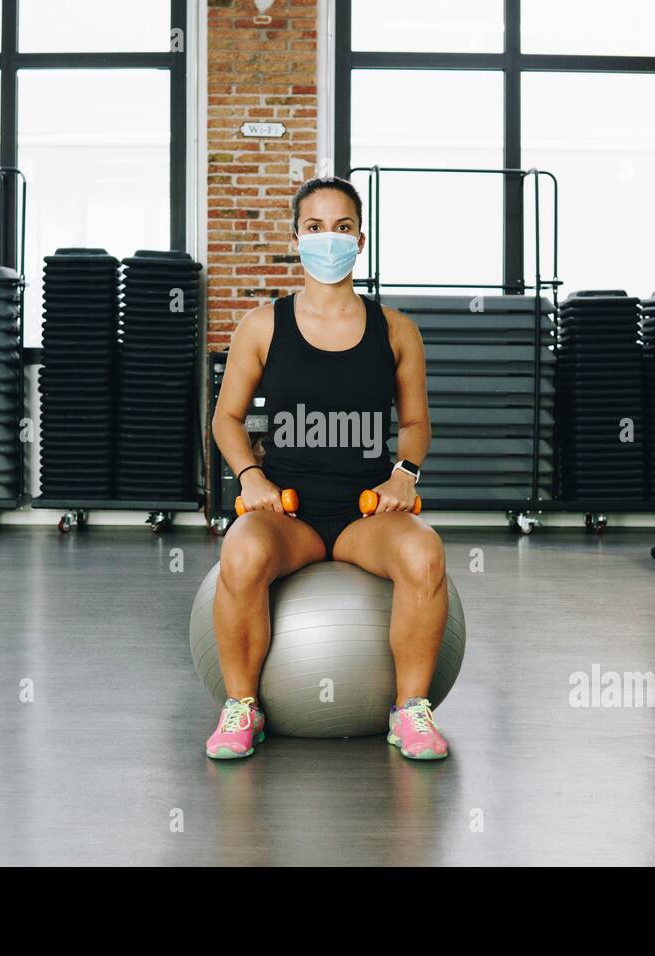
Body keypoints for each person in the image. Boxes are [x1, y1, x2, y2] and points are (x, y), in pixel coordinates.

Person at [208, 176, 451, 761]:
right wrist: (251, 478)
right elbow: (226, 419)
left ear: (359, 239)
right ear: (297, 238)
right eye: (314, 227)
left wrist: (404, 473)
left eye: (342, 227)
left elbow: (416, 423)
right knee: (239, 553)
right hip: (286, 511)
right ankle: (243, 708)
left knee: (426, 554)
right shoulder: (262, 326)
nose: (328, 239)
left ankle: (411, 711)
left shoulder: (397, 330)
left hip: (365, 512)